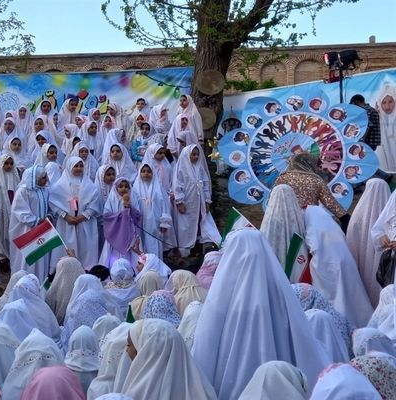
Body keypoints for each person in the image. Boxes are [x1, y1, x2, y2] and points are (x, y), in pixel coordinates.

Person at [191, 229, 327, 400]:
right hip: (281, 375)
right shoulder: (281, 291)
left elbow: (206, 340)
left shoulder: (222, 295)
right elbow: (300, 335)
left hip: (226, 378)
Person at [123, 318, 216, 399]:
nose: (127, 350)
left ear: (145, 350)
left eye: (130, 345)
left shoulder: (139, 392)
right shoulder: (203, 390)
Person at [275, 152, 351, 231]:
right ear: (310, 163)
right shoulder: (316, 180)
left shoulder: (282, 178)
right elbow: (330, 203)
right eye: (316, 165)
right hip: (310, 219)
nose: (318, 168)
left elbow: (274, 200)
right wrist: (344, 217)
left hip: (286, 219)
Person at [49, 157, 101, 271]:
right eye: (75, 166)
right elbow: (53, 201)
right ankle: (67, 270)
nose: (78, 169)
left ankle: (86, 269)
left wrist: (83, 216)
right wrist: (66, 216)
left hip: (85, 222)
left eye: (81, 166)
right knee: (67, 247)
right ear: (69, 167)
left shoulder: (89, 185)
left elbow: (94, 202)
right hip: (67, 223)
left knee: (86, 248)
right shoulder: (60, 185)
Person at [346, 178, 391, 306]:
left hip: (360, 263)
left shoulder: (357, 215)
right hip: (382, 263)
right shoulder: (389, 215)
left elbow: (351, 241)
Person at [172, 144, 220, 256]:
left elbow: (206, 183)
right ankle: (185, 249)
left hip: (199, 201)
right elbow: (177, 185)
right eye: (193, 154)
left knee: (200, 221)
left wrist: (207, 200)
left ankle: (201, 246)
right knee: (185, 225)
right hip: (186, 202)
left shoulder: (199, 167)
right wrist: (180, 201)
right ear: (186, 155)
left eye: (197, 154)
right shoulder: (180, 168)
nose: (196, 157)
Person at [9, 165, 51, 282]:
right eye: (43, 177)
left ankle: (40, 282)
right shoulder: (23, 191)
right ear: (34, 178)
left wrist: (47, 217)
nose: (46, 179)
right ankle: (24, 283)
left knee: (41, 257)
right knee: (27, 258)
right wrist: (36, 220)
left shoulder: (44, 190)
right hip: (27, 230)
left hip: (42, 229)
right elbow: (20, 212)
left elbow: (48, 207)